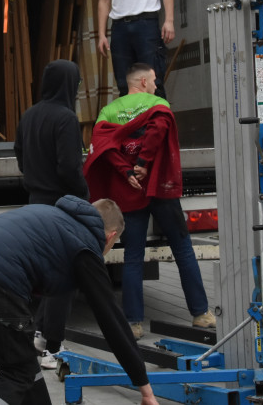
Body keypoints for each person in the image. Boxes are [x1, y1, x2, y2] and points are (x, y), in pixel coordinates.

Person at [0, 196, 159, 405]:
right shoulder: (86, 246)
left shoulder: (53, 217)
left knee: (25, 366)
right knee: (17, 373)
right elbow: (112, 320)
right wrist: (144, 387)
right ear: (110, 237)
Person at [84, 62, 214, 339]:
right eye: (153, 80)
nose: (156, 84)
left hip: (129, 188)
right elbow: (158, 130)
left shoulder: (109, 111)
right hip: (160, 188)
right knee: (183, 249)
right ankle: (201, 314)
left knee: (133, 257)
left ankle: (133, 324)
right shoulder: (158, 104)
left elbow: (103, 145)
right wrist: (144, 162)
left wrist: (126, 170)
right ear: (142, 82)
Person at [14, 59, 88, 369]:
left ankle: (38, 337)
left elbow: (19, 155)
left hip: (35, 202)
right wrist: (83, 194)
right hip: (61, 204)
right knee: (65, 277)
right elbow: (69, 166)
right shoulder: (66, 118)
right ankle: (51, 346)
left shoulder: (29, 115)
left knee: (44, 275)